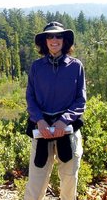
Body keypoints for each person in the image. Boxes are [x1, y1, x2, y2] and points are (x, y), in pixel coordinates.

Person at [24, 21, 86, 200]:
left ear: (64, 40)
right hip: (41, 130)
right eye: (49, 36)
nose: (54, 40)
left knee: (69, 182)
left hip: (67, 131)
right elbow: (30, 98)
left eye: (58, 36)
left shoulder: (76, 66)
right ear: (44, 41)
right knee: (35, 184)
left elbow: (80, 100)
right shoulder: (37, 67)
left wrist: (63, 120)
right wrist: (40, 120)